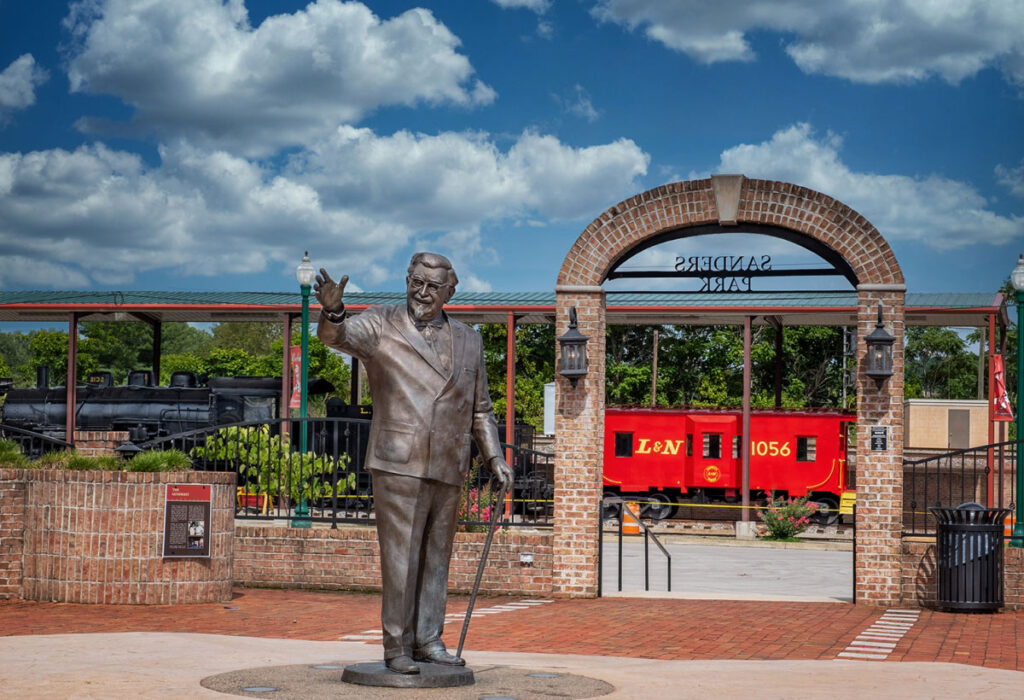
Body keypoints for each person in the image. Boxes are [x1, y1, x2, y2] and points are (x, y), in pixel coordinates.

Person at [315, 252, 514, 675]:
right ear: (407, 279)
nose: (422, 292)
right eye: (416, 282)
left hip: (448, 461)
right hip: (398, 461)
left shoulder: (469, 339)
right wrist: (333, 311)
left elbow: (481, 409)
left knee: (437, 558)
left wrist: (494, 455)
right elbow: (338, 337)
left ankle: (428, 639)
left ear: (449, 292)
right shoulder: (380, 323)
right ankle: (397, 646)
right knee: (400, 558)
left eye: (432, 286)